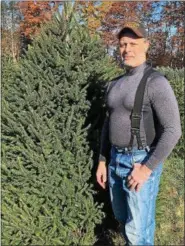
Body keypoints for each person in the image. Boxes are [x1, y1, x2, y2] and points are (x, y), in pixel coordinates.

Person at [96, 21, 182, 245]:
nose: (127, 49)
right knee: (125, 219)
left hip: (139, 161)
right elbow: (108, 123)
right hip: (115, 159)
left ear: (146, 45)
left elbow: (173, 130)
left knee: (137, 231)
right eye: (123, 44)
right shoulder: (114, 84)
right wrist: (103, 161)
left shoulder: (156, 82)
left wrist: (146, 169)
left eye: (133, 43)